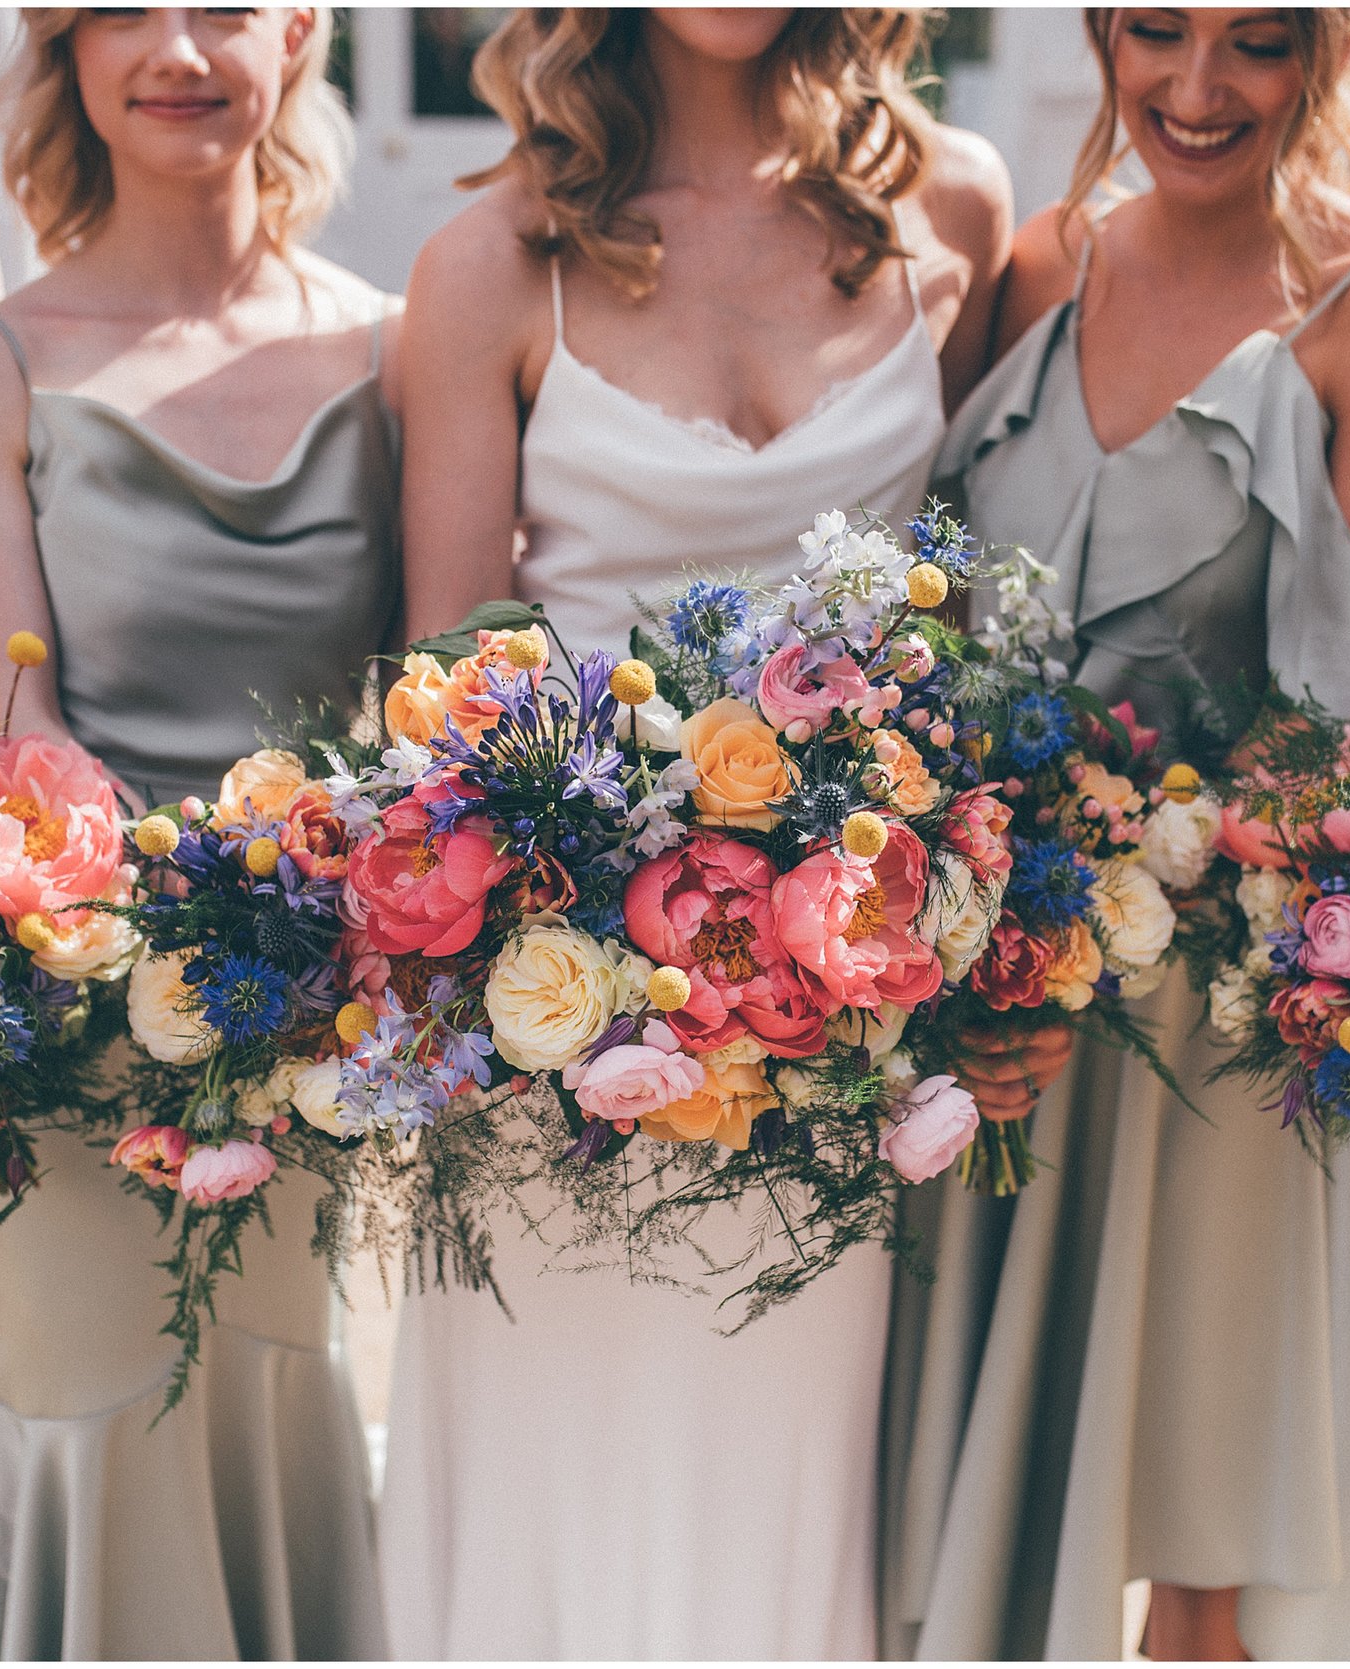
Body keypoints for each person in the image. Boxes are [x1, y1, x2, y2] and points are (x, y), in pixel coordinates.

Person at [377, 8, 1011, 1656]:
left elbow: (980, 639)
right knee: (547, 1517)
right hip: (562, 1050)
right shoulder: (496, 261)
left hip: (829, 1041)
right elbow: (440, 687)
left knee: (774, 1517)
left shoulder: (950, 213)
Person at [882, 8, 1350, 1659]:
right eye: (1158, 30)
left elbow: (1337, 736)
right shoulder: (1037, 262)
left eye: (1262, 44)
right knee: (979, 1502)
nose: (1198, 89)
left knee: (1195, 1569)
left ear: (1334, 54)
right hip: (991, 990)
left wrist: (1104, 888)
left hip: (1214, 1007)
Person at [0, 9, 395, 1659]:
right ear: (61, 42)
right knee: (94, 1410)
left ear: (304, 30)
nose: (180, 47)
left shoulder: (398, 351)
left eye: (228, 5)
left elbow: (433, 716)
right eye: (124, 5)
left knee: (275, 1397)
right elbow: (11, 744)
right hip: (68, 1025)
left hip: (313, 1019)